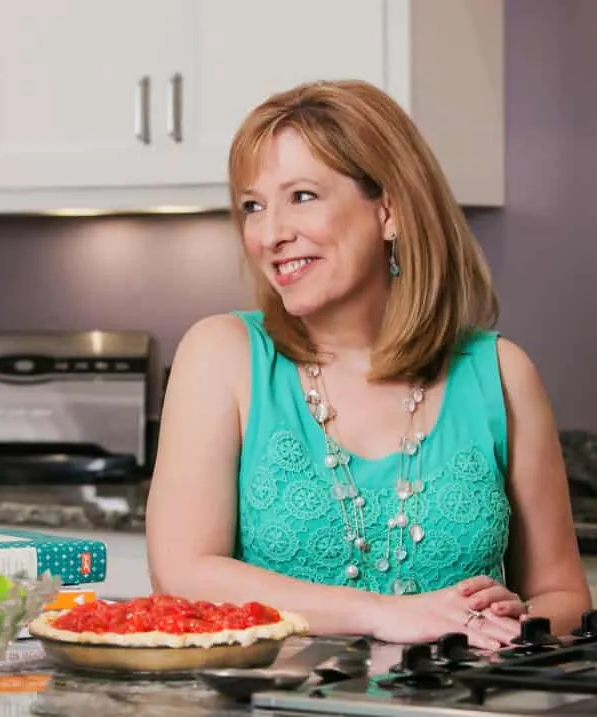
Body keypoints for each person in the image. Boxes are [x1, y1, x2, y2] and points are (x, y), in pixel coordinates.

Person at [144, 79, 591, 650]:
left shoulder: (501, 373)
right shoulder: (221, 353)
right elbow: (182, 574)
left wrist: (518, 617)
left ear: (389, 210)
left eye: (302, 196)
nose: (271, 233)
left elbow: (566, 597)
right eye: (253, 206)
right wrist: (385, 614)